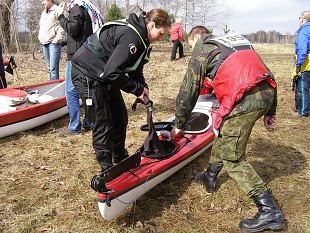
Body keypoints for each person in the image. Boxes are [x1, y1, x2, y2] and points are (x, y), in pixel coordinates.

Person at [171, 26, 285, 232]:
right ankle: (210, 176)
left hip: (246, 99)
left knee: (233, 158)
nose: (191, 48)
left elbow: (189, 88)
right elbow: (265, 71)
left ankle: (269, 211)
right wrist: (271, 109)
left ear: (197, 37)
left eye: (190, 44)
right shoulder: (233, 41)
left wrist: (180, 123)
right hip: (266, 91)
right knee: (224, 132)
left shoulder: (204, 46)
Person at [71, 9, 171, 172]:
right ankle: (106, 167)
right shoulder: (131, 37)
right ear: (151, 25)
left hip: (104, 73)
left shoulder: (142, 39)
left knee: (120, 117)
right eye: (161, 34)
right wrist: (135, 89)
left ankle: (119, 155)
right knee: (103, 121)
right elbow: (112, 72)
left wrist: (142, 87)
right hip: (87, 73)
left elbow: (135, 67)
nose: (161, 38)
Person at [57, 0, 104, 134]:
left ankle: (74, 127)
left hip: (76, 57)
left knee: (71, 91)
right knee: (86, 89)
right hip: (87, 53)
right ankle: (89, 122)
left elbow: (73, 29)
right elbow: (83, 32)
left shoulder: (76, 8)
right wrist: (65, 42)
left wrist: (61, 17)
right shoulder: (88, 7)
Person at [38, 0, 65, 80]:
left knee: (53, 69)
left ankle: (54, 88)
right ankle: (51, 85)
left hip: (53, 43)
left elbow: (63, 26)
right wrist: (40, 37)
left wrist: (56, 39)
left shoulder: (57, 9)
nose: (42, 3)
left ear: (50, 0)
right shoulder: (43, 13)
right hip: (44, 43)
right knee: (49, 68)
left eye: (43, 0)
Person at [292, 10, 310, 117]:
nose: (298, 20)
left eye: (299, 18)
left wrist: (298, 65)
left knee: (303, 88)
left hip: (306, 64)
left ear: (303, 19)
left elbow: (302, 50)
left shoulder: (304, 31)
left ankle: (303, 112)